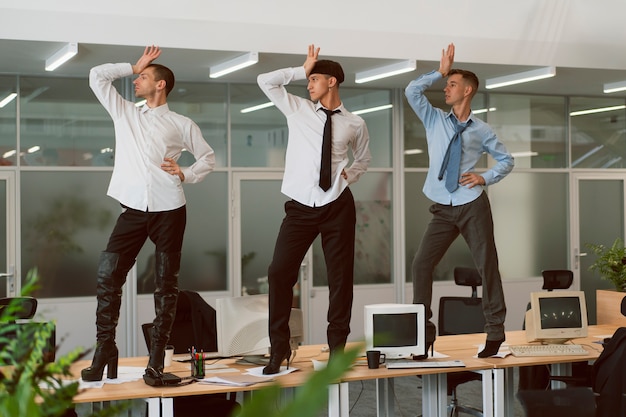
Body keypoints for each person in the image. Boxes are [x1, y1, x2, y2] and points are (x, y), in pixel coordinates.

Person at [81, 46, 216, 382]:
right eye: (137, 76)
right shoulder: (126, 113)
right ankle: (105, 349)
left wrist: (186, 173)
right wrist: (133, 65)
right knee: (107, 276)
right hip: (133, 209)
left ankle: (156, 361)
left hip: (170, 208)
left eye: (143, 77)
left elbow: (208, 158)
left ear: (161, 85)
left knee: (165, 286)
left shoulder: (181, 124)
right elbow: (97, 76)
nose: (136, 81)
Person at [257, 44, 371, 374]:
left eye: (315, 79)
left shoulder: (355, 123)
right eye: (308, 80)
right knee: (279, 272)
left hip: (337, 204)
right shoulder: (297, 109)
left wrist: (350, 175)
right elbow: (266, 81)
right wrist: (302, 68)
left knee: (340, 279)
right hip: (300, 208)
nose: (308, 84)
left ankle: (337, 350)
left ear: (332, 82)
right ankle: (279, 348)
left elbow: (364, 158)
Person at [405, 43, 514, 358]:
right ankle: (423, 336)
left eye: (451, 84)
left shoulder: (481, 130)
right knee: (421, 264)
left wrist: (484, 177)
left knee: (487, 265)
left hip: (471, 204)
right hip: (442, 207)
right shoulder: (434, 118)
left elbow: (506, 161)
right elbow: (413, 91)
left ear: (468, 91)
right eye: (445, 83)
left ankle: (495, 332)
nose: (445, 88)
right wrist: (438, 71)